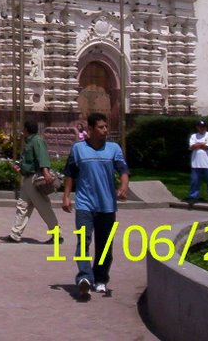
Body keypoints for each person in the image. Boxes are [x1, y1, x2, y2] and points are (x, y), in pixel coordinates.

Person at [62, 112, 129, 299]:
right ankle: (84, 277)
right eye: (101, 127)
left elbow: (123, 170)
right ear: (90, 129)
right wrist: (66, 197)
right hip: (84, 204)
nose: (105, 130)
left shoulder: (114, 148)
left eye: (106, 127)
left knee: (105, 246)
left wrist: (124, 186)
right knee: (83, 241)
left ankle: (100, 279)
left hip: (107, 205)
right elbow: (70, 173)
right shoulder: (78, 149)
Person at [4, 119, 60, 243]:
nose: (22, 131)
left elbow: (42, 157)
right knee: (22, 206)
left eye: (23, 129)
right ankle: (15, 234)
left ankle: (57, 235)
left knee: (43, 207)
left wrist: (45, 173)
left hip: (35, 179)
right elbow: (29, 161)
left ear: (26, 130)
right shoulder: (28, 142)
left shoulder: (37, 141)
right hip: (27, 178)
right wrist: (20, 167)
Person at [187, 119, 208, 204]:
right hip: (196, 163)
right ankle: (193, 197)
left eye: (204, 127)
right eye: (200, 127)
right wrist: (202, 144)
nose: (202, 128)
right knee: (195, 181)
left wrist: (198, 144)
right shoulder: (194, 136)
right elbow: (191, 147)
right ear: (197, 127)